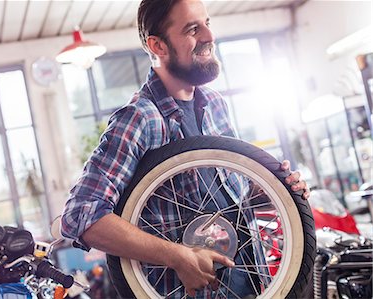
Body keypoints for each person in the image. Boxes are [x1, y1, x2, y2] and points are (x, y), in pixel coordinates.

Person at [61, 0, 309, 297]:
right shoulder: (140, 118)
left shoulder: (215, 105)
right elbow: (81, 215)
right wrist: (177, 256)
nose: (208, 36)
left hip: (251, 288)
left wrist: (274, 193)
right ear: (158, 46)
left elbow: (224, 206)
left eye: (207, 22)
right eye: (193, 29)